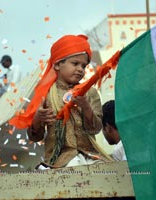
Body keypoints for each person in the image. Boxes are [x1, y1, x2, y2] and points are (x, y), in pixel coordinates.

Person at [10, 35, 112, 168]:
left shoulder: (90, 93)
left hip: (91, 155)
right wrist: (37, 118)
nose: (81, 69)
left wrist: (86, 106)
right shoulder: (45, 95)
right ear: (57, 64)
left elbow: (96, 128)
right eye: (75, 64)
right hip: (60, 160)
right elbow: (35, 137)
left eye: (84, 65)